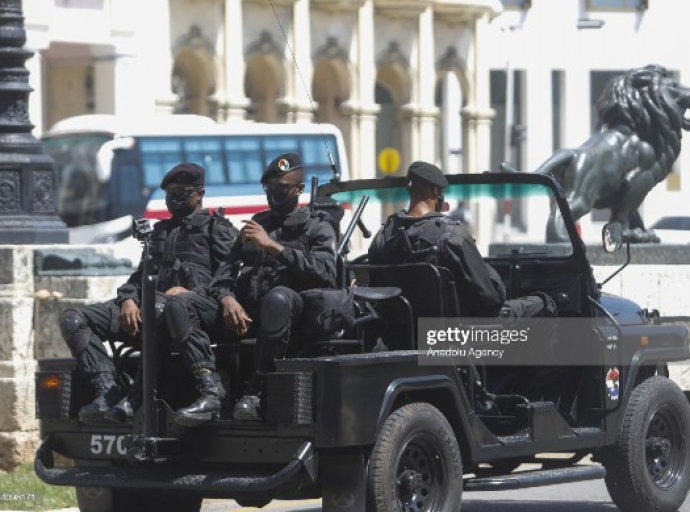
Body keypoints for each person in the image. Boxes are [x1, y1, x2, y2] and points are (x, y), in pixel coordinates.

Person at [59, 163, 238, 425]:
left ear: (199, 194)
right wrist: (128, 298)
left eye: (182, 191)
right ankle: (108, 389)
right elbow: (140, 275)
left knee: (160, 308)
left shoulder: (215, 229)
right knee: (74, 320)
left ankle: (138, 396)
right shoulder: (159, 232)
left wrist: (191, 292)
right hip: (151, 306)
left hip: (195, 312)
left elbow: (229, 277)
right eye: (170, 192)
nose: (174, 198)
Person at [166, 152, 338, 425]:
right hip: (246, 316)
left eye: (281, 189)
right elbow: (223, 274)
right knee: (180, 303)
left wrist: (274, 247)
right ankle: (209, 391)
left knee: (278, 299)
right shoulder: (257, 224)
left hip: (293, 321)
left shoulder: (317, 227)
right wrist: (227, 298)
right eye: (269, 188)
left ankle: (256, 391)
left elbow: (327, 273)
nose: (273, 195)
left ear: (298, 190)